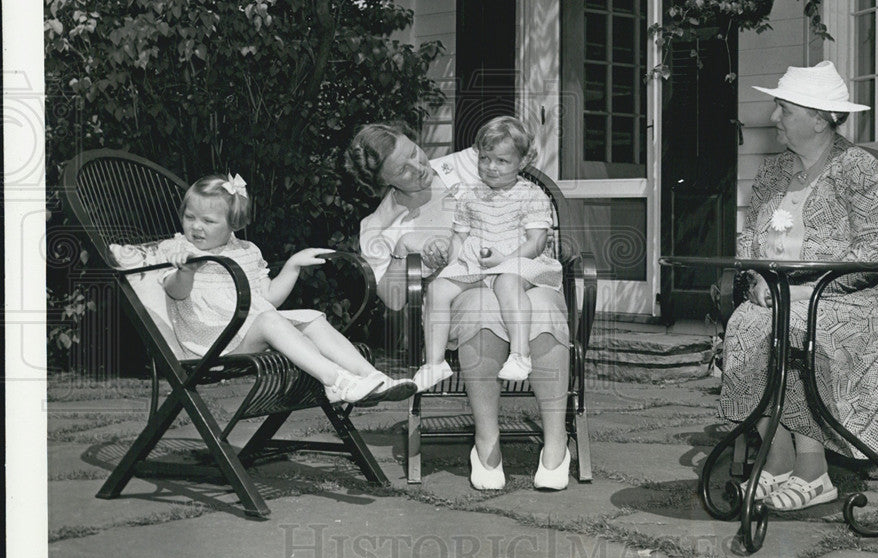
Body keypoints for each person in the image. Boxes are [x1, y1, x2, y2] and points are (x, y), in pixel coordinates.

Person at [349, 119, 572, 491]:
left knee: (543, 308)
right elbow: (392, 298)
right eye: (403, 169)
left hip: (521, 272)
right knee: (481, 307)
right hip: (461, 292)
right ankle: (487, 442)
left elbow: (514, 154)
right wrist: (407, 256)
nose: (421, 167)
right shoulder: (377, 226)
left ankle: (556, 441)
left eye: (415, 153)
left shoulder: (466, 164)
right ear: (384, 182)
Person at [721, 61, 878, 511]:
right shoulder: (774, 172)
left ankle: (814, 472)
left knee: (797, 326)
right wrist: (759, 279)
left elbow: (876, 253)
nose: (774, 118)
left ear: (820, 119)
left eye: (784, 109)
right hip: (781, 296)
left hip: (854, 302)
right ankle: (777, 462)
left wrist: (805, 291)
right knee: (746, 324)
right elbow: (749, 241)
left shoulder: (859, 170)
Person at [159, 172, 417, 406]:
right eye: (189, 217)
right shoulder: (178, 250)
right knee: (270, 320)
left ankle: (372, 377)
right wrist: (186, 272)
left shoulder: (247, 251)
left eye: (208, 221)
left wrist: (293, 265)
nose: (196, 226)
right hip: (213, 348)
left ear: (233, 224)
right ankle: (336, 381)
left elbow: (269, 298)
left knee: (312, 319)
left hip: (246, 336)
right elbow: (175, 292)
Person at [414, 117, 563, 389]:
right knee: (437, 289)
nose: (491, 167)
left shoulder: (531, 195)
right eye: (485, 158)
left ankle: (520, 354)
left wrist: (506, 261)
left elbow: (537, 241)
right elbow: (459, 236)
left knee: (507, 280)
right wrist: (453, 269)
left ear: (522, 162)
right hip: (478, 265)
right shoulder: (470, 195)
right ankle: (435, 363)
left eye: (502, 161)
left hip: (521, 262)